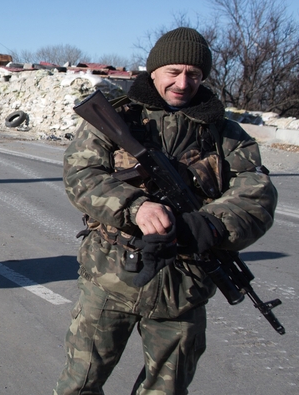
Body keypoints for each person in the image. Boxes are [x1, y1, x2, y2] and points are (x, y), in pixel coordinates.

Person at [54, 27, 278, 394]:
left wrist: (208, 226)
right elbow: (81, 175)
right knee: (79, 385)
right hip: (110, 279)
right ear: (153, 71)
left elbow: (257, 194)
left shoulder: (227, 135)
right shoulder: (117, 119)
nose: (183, 82)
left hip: (183, 288)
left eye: (194, 74)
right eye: (173, 72)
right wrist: (135, 207)